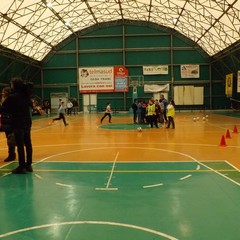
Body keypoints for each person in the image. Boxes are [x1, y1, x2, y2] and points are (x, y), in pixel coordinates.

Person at [3, 77, 33, 174]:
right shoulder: (26, 95)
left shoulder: (13, 97)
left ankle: (21, 166)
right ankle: (28, 165)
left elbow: (4, 108)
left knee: (20, 145)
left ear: (14, 85)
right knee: (28, 144)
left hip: (18, 123)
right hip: (27, 123)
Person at [0, 87, 16, 162]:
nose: (2, 93)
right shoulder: (5, 100)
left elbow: (4, 109)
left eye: (3, 92)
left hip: (9, 122)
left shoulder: (9, 100)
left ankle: (11, 155)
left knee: (10, 138)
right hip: (6, 121)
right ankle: (11, 154)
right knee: (9, 138)